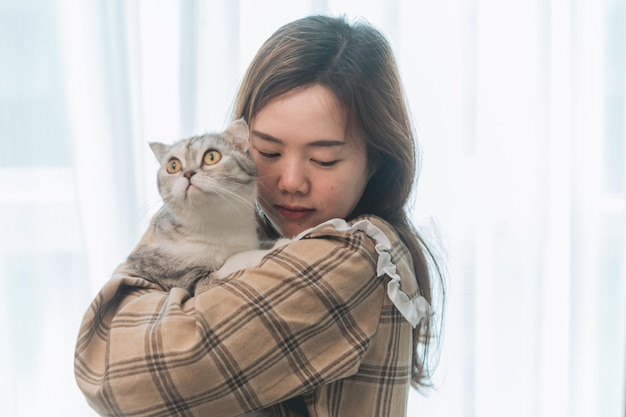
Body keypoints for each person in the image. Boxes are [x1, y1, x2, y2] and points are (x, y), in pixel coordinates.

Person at [74, 14, 444, 417]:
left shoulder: (350, 258)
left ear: (376, 162)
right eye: (267, 152)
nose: (290, 182)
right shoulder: (258, 232)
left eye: (323, 159)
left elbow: (114, 373)